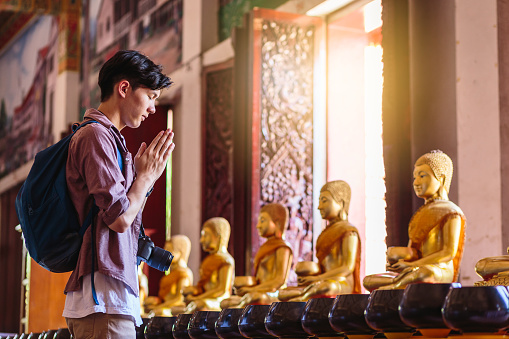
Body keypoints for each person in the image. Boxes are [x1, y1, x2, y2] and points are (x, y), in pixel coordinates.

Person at [62, 50, 174, 338]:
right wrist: (145, 178)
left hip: (108, 299)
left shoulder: (109, 139)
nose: (151, 108)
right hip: (103, 301)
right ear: (124, 88)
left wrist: (141, 180)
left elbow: (122, 212)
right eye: (151, 97)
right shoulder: (96, 136)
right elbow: (120, 220)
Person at [363, 150, 466, 291]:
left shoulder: (451, 212)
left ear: (441, 179)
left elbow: (448, 252)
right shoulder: (421, 213)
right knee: (369, 280)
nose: (416, 182)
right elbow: (413, 251)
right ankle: (397, 284)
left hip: (437, 269)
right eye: (415, 177)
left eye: (422, 176)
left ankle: (395, 286)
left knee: (425, 273)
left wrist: (413, 265)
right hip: (415, 269)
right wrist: (399, 259)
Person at [278, 180, 361, 302]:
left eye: (324, 201)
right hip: (322, 281)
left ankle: (303, 297)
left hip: (340, 282)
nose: (319, 206)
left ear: (341, 203)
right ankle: (303, 295)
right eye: (319, 201)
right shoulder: (325, 233)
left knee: (327, 286)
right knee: (284, 293)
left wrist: (319, 278)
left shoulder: (349, 231)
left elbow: (347, 268)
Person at [220, 203, 293, 309]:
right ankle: (242, 306)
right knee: (225, 302)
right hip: (258, 291)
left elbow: (279, 281)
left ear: (277, 223)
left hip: (274, 293)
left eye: (262, 221)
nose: (258, 225)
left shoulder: (283, 247)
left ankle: (242, 307)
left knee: (256, 298)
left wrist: (252, 290)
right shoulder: (265, 247)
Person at [183, 217, 235, 313]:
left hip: (219, 299)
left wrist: (198, 298)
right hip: (205, 298)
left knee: (199, 304)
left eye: (205, 235)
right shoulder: (207, 261)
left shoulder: (226, 260)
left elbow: (222, 290)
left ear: (218, 236)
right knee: (181, 308)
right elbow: (203, 287)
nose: (201, 240)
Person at [144, 235, 193, 316]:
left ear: (180, 252)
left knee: (159, 312)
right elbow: (163, 299)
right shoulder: (168, 276)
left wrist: (159, 307)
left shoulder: (183, 273)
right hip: (165, 306)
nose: (165, 253)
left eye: (169, 250)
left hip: (175, 308)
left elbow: (180, 299)